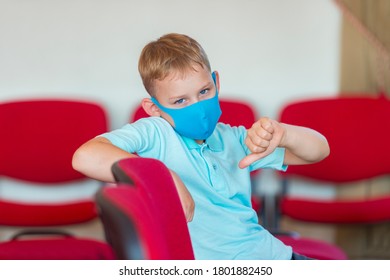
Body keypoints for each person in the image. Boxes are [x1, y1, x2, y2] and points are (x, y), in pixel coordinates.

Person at [72, 33, 330, 260]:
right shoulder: (156, 133)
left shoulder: (236, 138)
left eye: (204, 91)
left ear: (216, 83)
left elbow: (320, 151)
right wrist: (164, 177)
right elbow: (85, 156)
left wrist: (286, 134)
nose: (196, 105)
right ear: (154, 108)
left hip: (274, 257)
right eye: (180, 100)